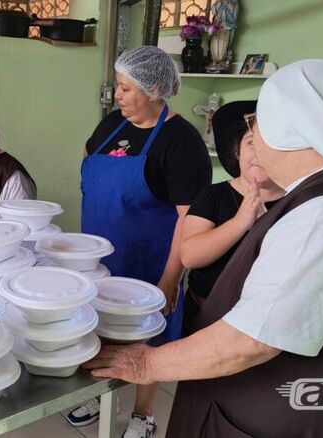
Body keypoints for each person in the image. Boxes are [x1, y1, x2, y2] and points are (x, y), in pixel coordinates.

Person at [84, 59, 323, 437]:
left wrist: (146, 365)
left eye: (256, 125)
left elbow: (250, 340)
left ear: (288, 131)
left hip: (288, 420)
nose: (253, 138)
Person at [71, 46, 212, 438]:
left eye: (125, 88)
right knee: (97, 327)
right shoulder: (113, 124)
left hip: (150, 261)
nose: (117, 95)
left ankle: (143, 414)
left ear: (153, 90)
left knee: (151, 336)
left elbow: (191, 218)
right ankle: (97, 395)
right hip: (101, 257)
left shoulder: (180, 141)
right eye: (118, 86)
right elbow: (87, 157)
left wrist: (170, 277)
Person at [179, 100, 285, 337]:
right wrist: (240, 222)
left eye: (269, 145)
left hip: (265, 328)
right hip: (203, 316)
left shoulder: (298, 201)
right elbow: (189, 256)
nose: (259, 154)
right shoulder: (213, 196)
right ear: (237, 151)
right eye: (251, 143)